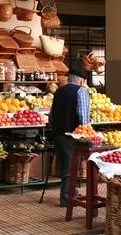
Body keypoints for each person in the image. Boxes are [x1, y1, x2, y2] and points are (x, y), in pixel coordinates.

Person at [48, 68, 90, 207]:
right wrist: (88, 135)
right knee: (70, 168)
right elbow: (84, 118)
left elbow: (51, 115)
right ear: (81, 80)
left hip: (57, 133)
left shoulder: (59, 91)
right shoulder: (81, 91)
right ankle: (66, 199)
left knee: (65, 166)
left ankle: (71, 192)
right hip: (72, 135)